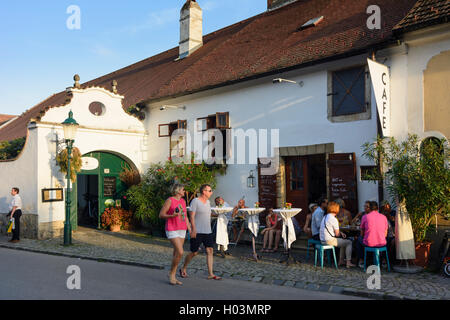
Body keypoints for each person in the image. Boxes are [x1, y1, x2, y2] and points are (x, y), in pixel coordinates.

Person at [180, 184, 222, 280]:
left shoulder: (208, 202)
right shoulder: (195, 201)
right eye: (209, 190)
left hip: (207, 231)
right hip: (197, 231)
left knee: (210, 250)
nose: (211, 192)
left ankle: (211, 273)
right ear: (204, 191)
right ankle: (183, 268)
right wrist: (193, 229)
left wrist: (216, 214)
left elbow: (207, 213)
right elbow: (191, 216)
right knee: (194, 252)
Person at [159, 184, 191, 285]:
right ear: (177, 191)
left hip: (182, 229)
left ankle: (173, 275)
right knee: (180, 252)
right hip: (172, 228)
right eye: (183, 189)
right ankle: (172, 274)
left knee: (176, 254)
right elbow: (161, 215)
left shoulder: (183, 201)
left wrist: (190, 228)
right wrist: (172, 215)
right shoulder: (170, 200)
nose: (184, 191)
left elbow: (185, 216)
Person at [319, 201, 356, 268]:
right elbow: (337, 234)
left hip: (322, 240)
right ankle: (348, 262)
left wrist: (341, 233)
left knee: (343, 242)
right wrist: (340, 234)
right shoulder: (334, 219)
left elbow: (330, 229)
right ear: (336, 209)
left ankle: (341, 260)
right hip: (329, 240)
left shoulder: (325, 217)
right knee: (349, 242)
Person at [355, 201, 389, 268]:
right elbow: (385, 234)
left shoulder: (365, 217)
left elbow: (362, 233)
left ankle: (361, 260)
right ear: (378, 208)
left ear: (369, 208)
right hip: (382, 243)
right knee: (385, 240)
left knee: (358, 239)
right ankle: (383, 261)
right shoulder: (384, 217)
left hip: (369, 243)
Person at [380, 200, 396, 265]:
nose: (386, 209)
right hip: (382, 234)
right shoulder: (380, 215)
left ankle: (386, 260)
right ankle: (384, 259)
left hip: (392, 234)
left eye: (387, 206)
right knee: (384, 240)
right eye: (384, 207)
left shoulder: (393, 212)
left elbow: (393, 220)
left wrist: (388, 214)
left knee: (388, 241)